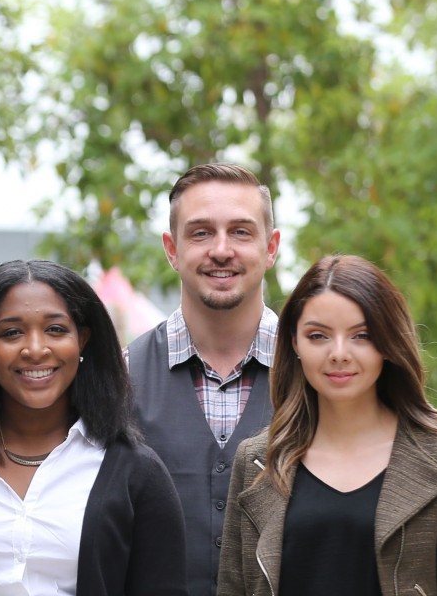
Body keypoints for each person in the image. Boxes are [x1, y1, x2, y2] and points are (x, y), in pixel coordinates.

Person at [0, 260, 187, 596]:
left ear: (82, 340)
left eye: (55, 329)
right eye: (11, 332)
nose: (36, 349)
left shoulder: (138, 473)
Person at [218, 255, 437, 596]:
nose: (339, 353)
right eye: (318, 335)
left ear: (388, 342)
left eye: (361, 335)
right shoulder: (258, 461)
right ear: (294, 342)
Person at [124, 163, 281, 596]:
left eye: (241, 232)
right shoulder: (120, 375)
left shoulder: (316, 372)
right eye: (201, 233)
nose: (221, 250)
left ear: (271, 248)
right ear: (171, 249)